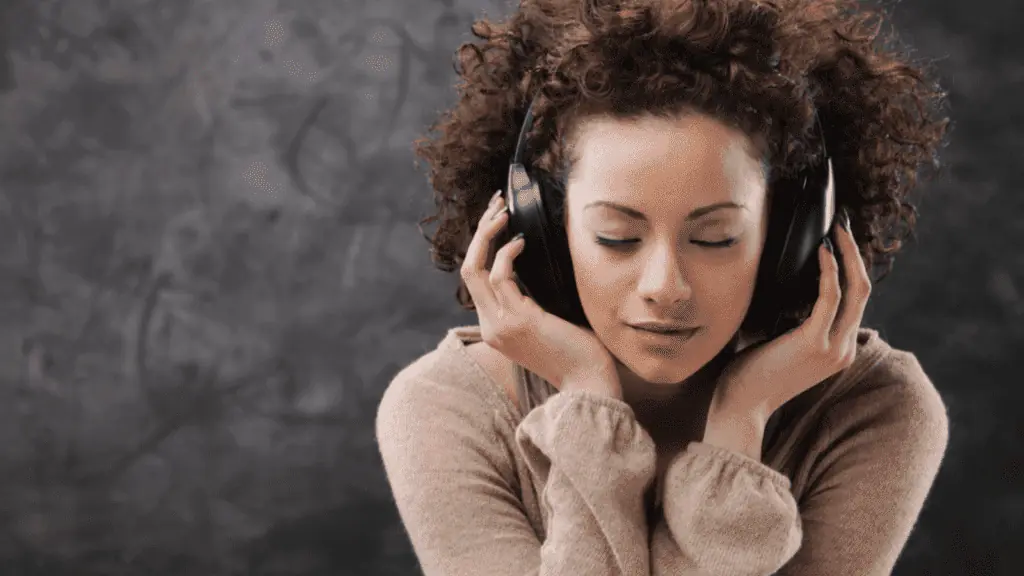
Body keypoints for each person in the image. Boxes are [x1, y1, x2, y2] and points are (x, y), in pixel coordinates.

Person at [377, 0, 951, 574]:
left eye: (717, 239)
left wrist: (742, 416)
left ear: (790, 235)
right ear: (542, 229)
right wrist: (588, 398)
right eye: (617, 237)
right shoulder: (445, 409)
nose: (666, 288)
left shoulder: (875, 410)